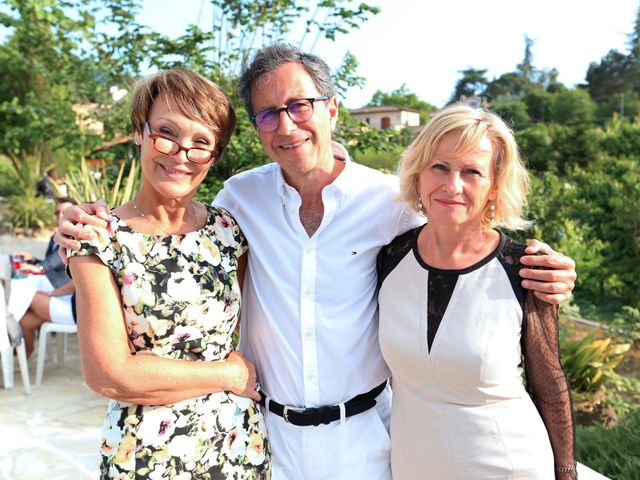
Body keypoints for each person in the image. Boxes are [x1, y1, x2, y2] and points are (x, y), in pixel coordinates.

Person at [56, 44, 576, 480]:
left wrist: (544, 265)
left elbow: (457, 238)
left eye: (300, 106)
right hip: (266, 442)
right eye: (267, 113)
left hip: (367, 443)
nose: (286, 125)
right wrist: (84, 222)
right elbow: (169, 232)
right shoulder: (239, 201)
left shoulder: (391, 204)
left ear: (330, 109)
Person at [65, 68, 270, 479]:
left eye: (201, 143)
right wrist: (226, 374)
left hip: (236, 448)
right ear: (140, 132)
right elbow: (109, 373)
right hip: (145, 456)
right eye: (166, 133)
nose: (181, 154)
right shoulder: (98, 237)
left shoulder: (227, 231)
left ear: (214, 156)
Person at [378, 105, 576, 479]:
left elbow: (550, 385)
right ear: (419, 172)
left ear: (494, 187)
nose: (452, 185)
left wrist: (566, 473)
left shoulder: (524, 269)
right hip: (413, 466)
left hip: (507, 464)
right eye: (440, 166)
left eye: (472, 172)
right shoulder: (389, 256)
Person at [11, 197, 78, 357]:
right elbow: (51, 263)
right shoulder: (56, 236)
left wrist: (54, 293)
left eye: (65, 212)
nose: (60, 216)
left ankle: (7, 338)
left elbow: (76, 280)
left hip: (72, 303)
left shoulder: (77, 240)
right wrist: (34, 261)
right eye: (57, 212)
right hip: (63, 296)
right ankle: (25, 355)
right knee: (24, 319)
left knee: (22, 293)